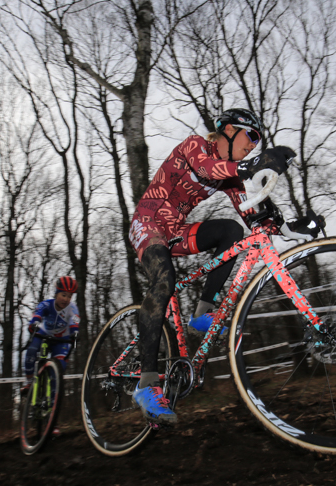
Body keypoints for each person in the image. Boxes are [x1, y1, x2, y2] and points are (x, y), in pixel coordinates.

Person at [128, 108, 324, 424]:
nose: (254, 145)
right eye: (251, 137)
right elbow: (207, 167)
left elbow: (252, 215)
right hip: (148, 223)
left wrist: (287, 227)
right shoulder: (195, 147)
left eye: (259, 142)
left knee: (233, 231)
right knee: (163, 281)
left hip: (175, 232)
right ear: (228, 131)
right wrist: (252, 166)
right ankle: (147, 384)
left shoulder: (231, 174)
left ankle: (202, 311)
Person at [21, 276, 80, 434]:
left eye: (69, 296)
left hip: (61, 340)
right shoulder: (47, 304)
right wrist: (34, 323)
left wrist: (75, 332)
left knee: (58, 373)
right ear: (56, 294)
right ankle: (28, 382)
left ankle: (52, 422)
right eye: (63, 295)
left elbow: (75, 321)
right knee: (32, 350)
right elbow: (38, 313)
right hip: (44, 335)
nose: (66, 299)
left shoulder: (72, 308)